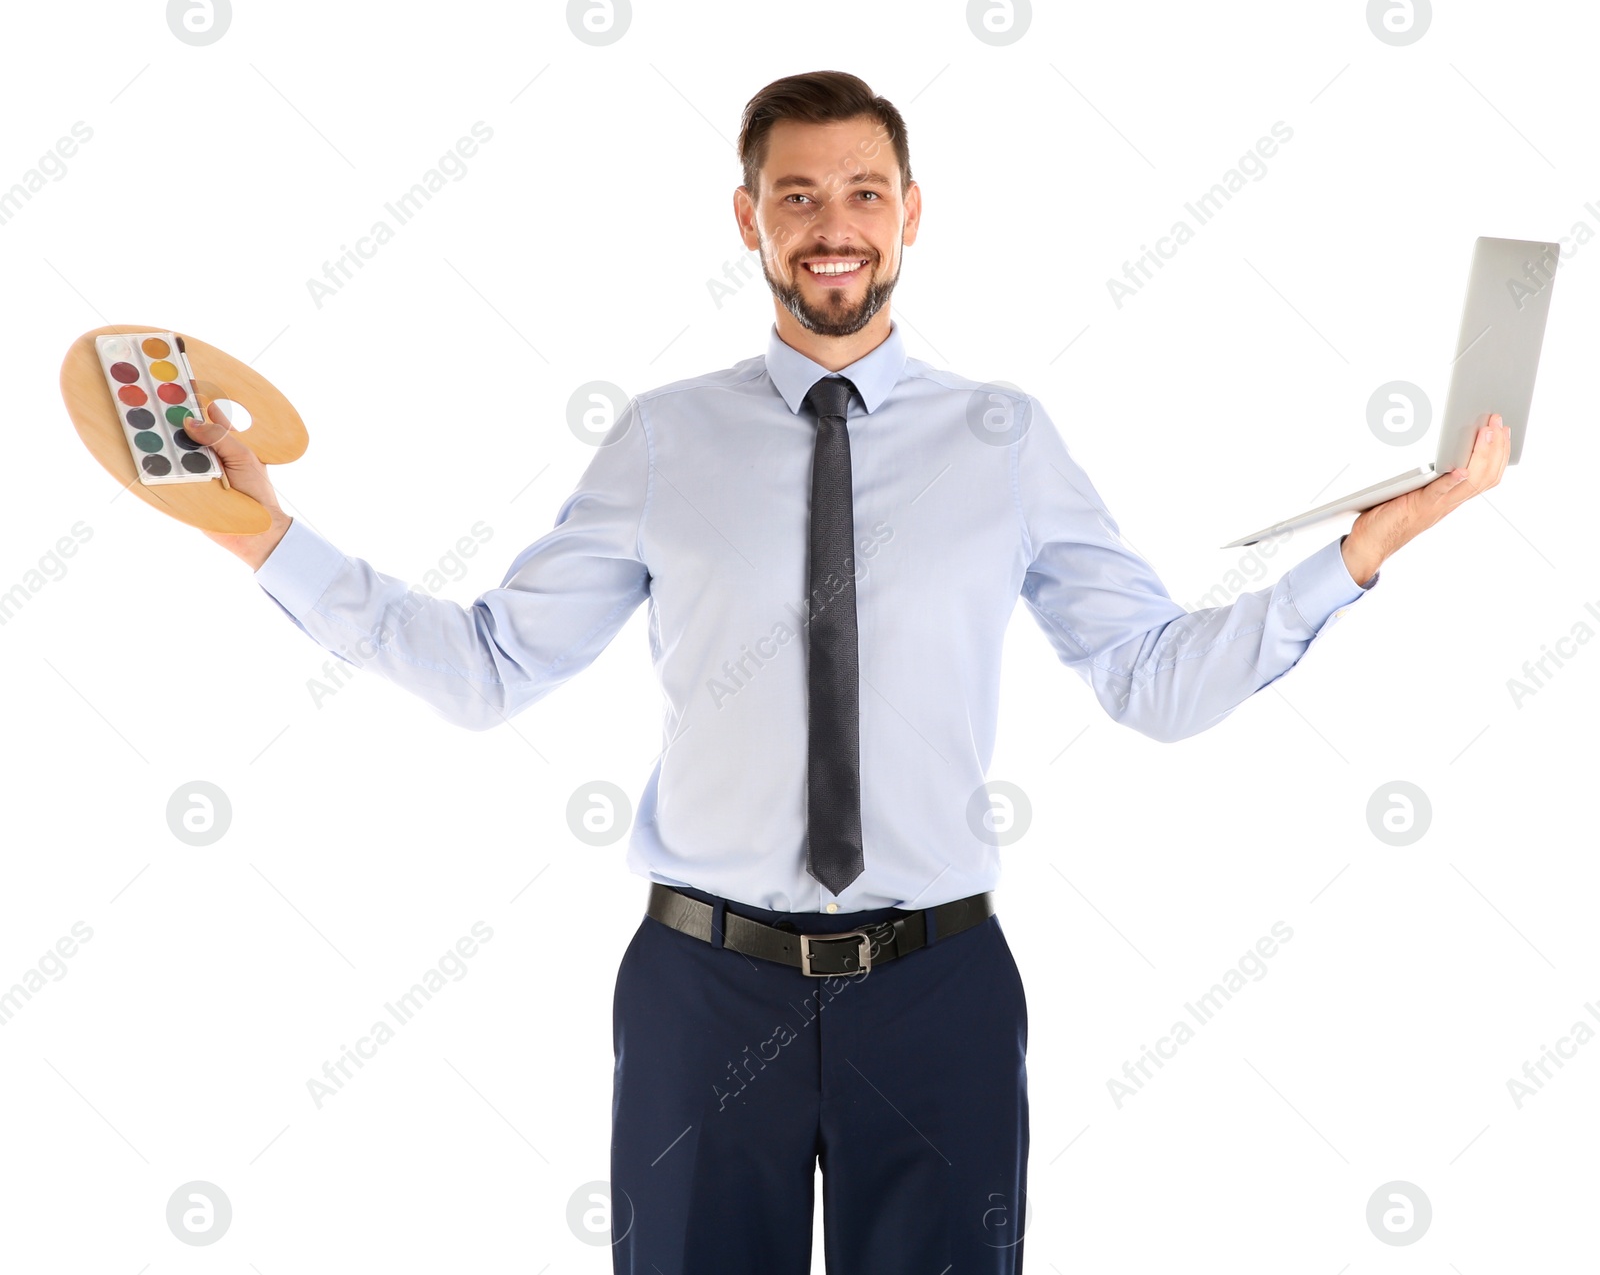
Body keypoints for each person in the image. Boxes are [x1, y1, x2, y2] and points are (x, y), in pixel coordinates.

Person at [184, 70, 1512, 1274]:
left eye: (864, 192)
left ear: (913, 213)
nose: (835, 226)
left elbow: (1153, 679)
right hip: (703, 991)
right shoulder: (663, 440)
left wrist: (1356, 555)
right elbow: (489, 666)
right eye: (800, 194)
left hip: (938, 990)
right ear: (748, 216)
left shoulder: (1004, 438)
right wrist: (262, 534)